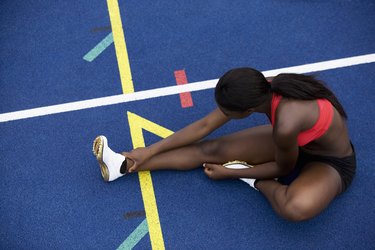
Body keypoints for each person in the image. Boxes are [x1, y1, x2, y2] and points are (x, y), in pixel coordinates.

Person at [93, 68, 356, 222]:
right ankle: (123, 165)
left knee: (294, 208)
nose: (222, 113)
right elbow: (204, 127)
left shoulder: (287, 122)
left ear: (249, 110)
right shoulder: (258, 88)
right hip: (290, 144)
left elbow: (283, 166)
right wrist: (149, 150)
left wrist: (234, 173)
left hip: (329, 163)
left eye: (228, 112)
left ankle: (259, 184)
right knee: (210, 149)